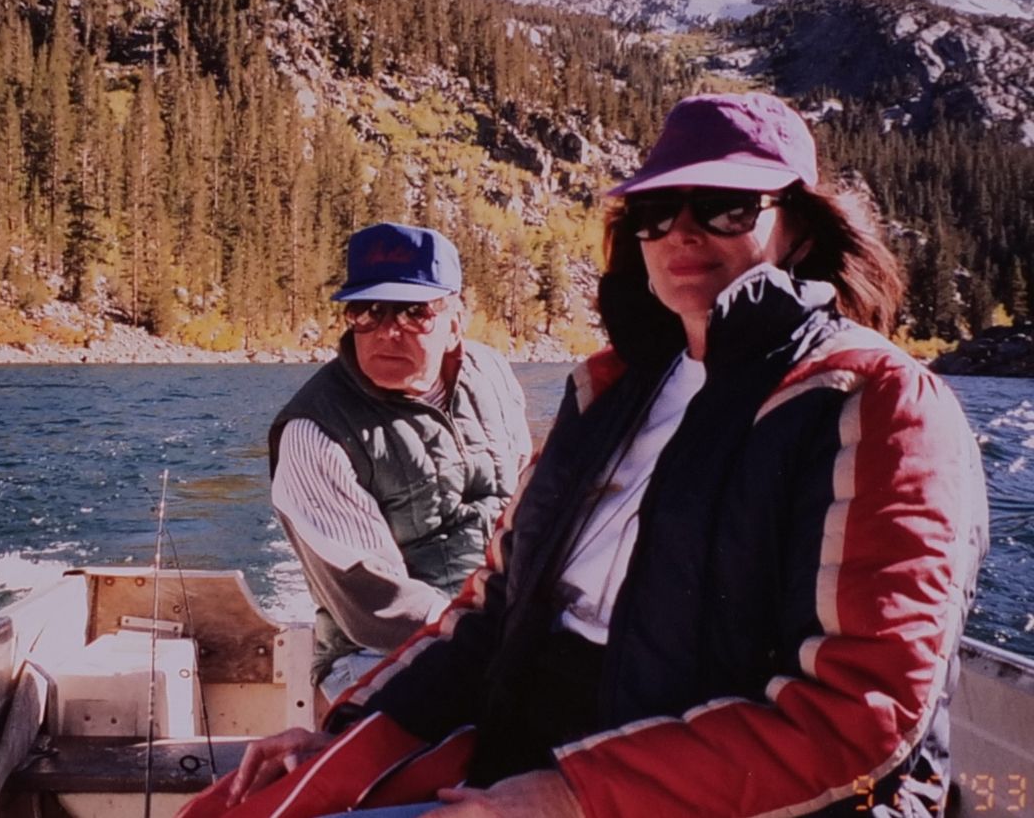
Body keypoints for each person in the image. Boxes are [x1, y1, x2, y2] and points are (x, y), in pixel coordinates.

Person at [189, 92, 988, 818]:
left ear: (799, 228)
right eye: (655, 211)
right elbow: (496, 606)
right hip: (536, 742)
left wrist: (570, 795)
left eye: (725, 206)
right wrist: (350, 728)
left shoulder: (875, 400)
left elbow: (860, 715)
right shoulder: (610, 391)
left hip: (710, 791)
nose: (682, 232)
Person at [269, 222, 532, 701]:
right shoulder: (315, 433)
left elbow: (527, 504)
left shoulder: (491, 374)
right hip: (378, 656)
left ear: (456, 322)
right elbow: (376, 603)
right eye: (367, 311)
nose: (387, 332)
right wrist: (491, 640)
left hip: (506, 625)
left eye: (415, 312)